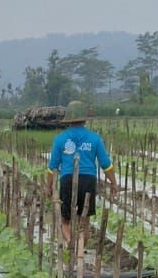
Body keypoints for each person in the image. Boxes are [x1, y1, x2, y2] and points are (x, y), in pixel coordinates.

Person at [47, 102, 117, 253]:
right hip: (88, 181)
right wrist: (114, 183)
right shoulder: (95, 138)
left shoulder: (60, 139)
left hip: (67, 179)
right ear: (84, 120)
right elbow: (106, 164)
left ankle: (72, 245)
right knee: (84, 221)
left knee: (65, 221)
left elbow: (52, 167)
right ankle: (79, 251)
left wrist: (49, 186)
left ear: (68, 120)